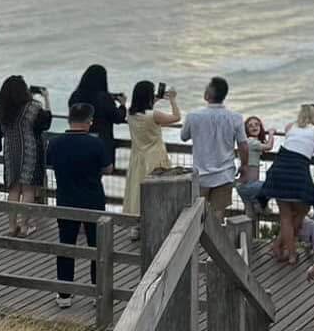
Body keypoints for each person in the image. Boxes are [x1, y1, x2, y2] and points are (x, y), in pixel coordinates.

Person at [46, 102, 113, 309]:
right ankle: (97, 292)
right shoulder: (96, 144)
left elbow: (49, 164)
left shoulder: (56, 143)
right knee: (97, 248)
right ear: (89, 121)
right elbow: (108, 168)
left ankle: (64, 295)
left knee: (66, 246)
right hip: (93, 201)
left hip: (66, 200)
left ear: (69, 120)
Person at [262, 104, 314, 264]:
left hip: (279, 170)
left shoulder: (290, 126)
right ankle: (290, 253)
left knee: (286, 216)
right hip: (297, 172)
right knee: (303, 210)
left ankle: (282, 249)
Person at [180, 77, 247, 216]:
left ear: (207, 95)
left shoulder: (193, 116)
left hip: (200, 174)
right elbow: (243, 145)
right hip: (225, 174)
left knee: (196, 214)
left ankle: (197, 238)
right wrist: (244, 165)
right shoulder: (235, 117)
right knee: (218, 214)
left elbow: (184, 136)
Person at [125, 82, 182, 234]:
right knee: (159, 191)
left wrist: (156, 99)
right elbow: (176, 117)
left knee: (137, 191)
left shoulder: (130, 114)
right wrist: (172, 100)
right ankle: (156, 224)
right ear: (149, 96)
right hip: (155, 156)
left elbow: (144, 108)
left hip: (137, 157)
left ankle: (136, 226)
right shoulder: (154, 115)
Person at [0, 76, 52, 237]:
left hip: (10, 152)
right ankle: (24, 226)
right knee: (28, 189)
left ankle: (11, 226)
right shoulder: (33, 107)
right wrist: (47, 98)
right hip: (30, 151)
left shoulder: (4, 110)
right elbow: (46, 122)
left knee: (14, 189)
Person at [68, 65, 127, 168]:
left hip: (78, 140)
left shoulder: (75, 95)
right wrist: (122, 105)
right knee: (95, 173)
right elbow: (118, 118)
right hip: (100, 142)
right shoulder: (104, 98)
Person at [236, 115, 274, 213]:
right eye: (250, 126)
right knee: (273, 186)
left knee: (249, 214)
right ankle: (262, 204)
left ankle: (256, 203)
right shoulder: (251, 142)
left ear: (261, 127)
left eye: (257, 124)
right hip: (248, 185)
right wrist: (271, 133)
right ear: (246, 130)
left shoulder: (249, 142)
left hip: (242, 185)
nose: (254, 127)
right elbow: (269, 146)